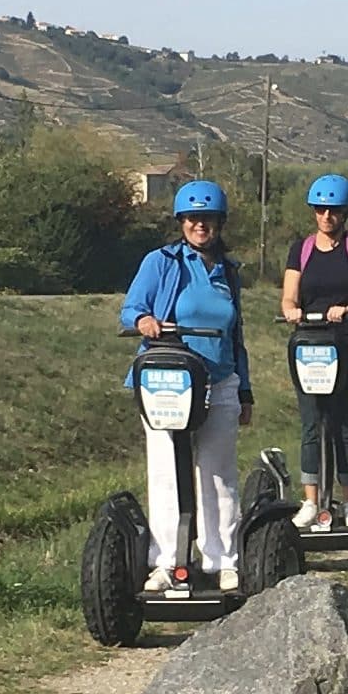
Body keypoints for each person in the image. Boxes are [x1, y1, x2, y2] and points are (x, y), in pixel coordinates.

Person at [120, 179, 253, 593]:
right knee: (164, 472)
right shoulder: (161, 262)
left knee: (217, 474)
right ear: (181, 221)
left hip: (218, 381)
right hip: (167, 380)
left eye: (208, 219)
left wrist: (244, 389)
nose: (201, 226)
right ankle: (166, 562)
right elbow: (130, 309)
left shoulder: (228, 272)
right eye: (193, 219)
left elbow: (236, 336)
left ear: (220, 223)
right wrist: (143, 321)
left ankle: (221, 560)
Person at [281, 173, 348, 529]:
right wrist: (291, 309)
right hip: (309, 344)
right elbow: (289, 293)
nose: (326, 217)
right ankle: (310, 500)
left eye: (334, 210)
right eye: (320, 210)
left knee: (344, 421)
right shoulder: (301, 250)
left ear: (346, 212)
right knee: (311, 421)